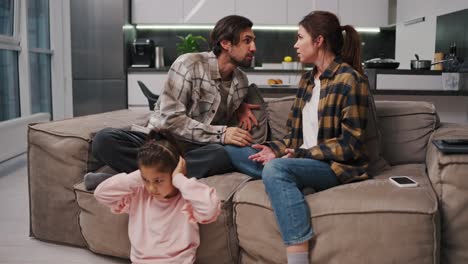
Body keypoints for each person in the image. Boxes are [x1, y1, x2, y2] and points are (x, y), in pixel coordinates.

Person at [224, 11, 370, 264]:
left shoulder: (350, 80)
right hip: (300, 159)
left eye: (300, 37)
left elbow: (351, 146)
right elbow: (294, 138)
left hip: (333, 166)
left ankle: (298, 259)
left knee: (276, 170)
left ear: (319, 41)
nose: (295, 44)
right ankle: (291, 176)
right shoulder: (307, 80)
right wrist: (273, 149)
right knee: (234, 149)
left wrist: (295, 156)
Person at [85, 15, 260, 190]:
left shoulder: (241, 82)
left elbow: (224, 114)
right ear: (225, 43)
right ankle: (163, 178)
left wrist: (240, 107)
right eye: (247, 41)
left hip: (193, 150)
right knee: (103, 140)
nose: (254, 48)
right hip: (160, 141)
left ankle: (126, 181)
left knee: (221, 156)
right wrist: (221, 134)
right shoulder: (189, 64)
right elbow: (171, 120)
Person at [94, 129, 221, 264]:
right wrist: (140, 176)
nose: (151, 188)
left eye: (158, 181)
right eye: (146, 180)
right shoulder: (139, 194)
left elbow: (209, 209)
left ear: (173, 173)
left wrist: (180, 179)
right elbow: (101, 194)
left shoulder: (187, 198)